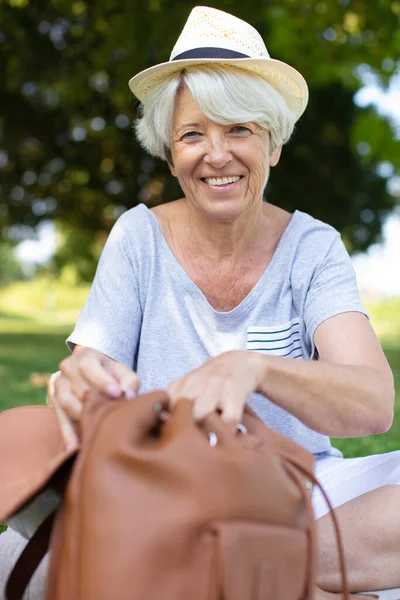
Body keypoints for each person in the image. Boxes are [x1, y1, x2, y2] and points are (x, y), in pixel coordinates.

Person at [2, 6, 399, 600]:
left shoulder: (313, 247)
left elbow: (373, 405)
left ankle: (228, 570)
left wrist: (256, 368)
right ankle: (271, 576)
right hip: (159, 490)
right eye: (193, 134)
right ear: (170, 154)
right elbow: (88, 377)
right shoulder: (137, 237)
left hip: (298, 489)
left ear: (273, 144)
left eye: (239, 128)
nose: (217, 155)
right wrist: (82, 383)